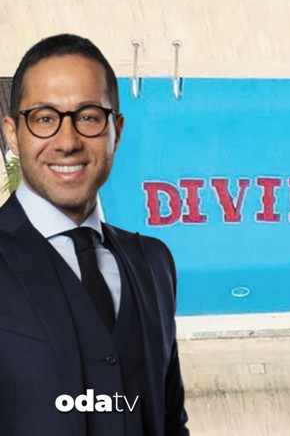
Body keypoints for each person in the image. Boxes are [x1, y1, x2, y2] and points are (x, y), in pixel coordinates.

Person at [0, 34, 189, 435]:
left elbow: (170, 420)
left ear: (115, 131)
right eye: (44, 118)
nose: (67, 142)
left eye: (88, 117)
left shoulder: (154, 264)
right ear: (13, 134)